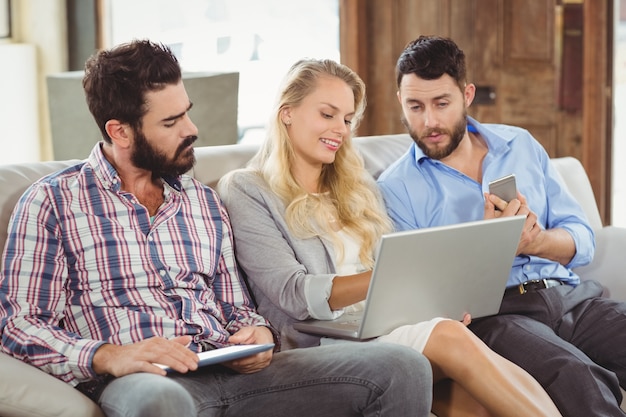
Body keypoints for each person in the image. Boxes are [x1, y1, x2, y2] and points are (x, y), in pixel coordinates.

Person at [0, 40, 436, 417]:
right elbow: (19, 324)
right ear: (120, 131)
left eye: (185, 113)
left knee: (401, 368)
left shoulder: (202, 202)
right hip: (148, 379)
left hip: (230, 369)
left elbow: (237, 308)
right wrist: (110, 356)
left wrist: (258, 335)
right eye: (171, 123)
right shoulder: (52, 202)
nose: (192, 130)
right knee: (160, 404)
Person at [218, 58, 562, 417]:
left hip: (384, 323)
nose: (340, 129)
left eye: (348, 119)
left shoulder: (358, 185)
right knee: (449, 337)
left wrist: (433, 300)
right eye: (327, 114)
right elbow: (293, 293)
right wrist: (385, 281)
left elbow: (402, 260)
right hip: (321, 340)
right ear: (287, 113)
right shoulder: (247, 188)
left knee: (478, 403)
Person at [377, 34, 626, 417]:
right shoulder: (396, 188)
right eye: (415, 106)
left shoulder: (521, 144)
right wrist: (488, 248)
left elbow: (582, 237)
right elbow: (418, 292)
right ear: (400, 102)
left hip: (571, 296)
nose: (429, 122)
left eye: (442, 104)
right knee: (577, 377)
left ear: (467, 95)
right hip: (498, 315)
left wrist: (536, 241)